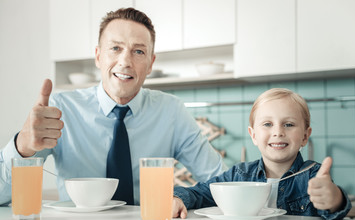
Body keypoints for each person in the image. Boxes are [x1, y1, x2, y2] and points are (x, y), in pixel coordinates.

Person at [0, 8, 225, 205]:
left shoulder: (172, 111)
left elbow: (220, 182)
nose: (125, 61)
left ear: (150, 64)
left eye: (139, 51)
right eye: (115, 48)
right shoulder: (61, 110)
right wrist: (22, 148)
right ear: (98, 56)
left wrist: (183, 196)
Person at [172, 88, 352, 220]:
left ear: (305, 136)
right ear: (253, 135)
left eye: (288, 124)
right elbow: (199, 193)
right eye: (267, 124)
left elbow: (336, 208)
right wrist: (177, 198)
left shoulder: (313, 175)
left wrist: (334, 198)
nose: (278, 132)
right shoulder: (239, 175)